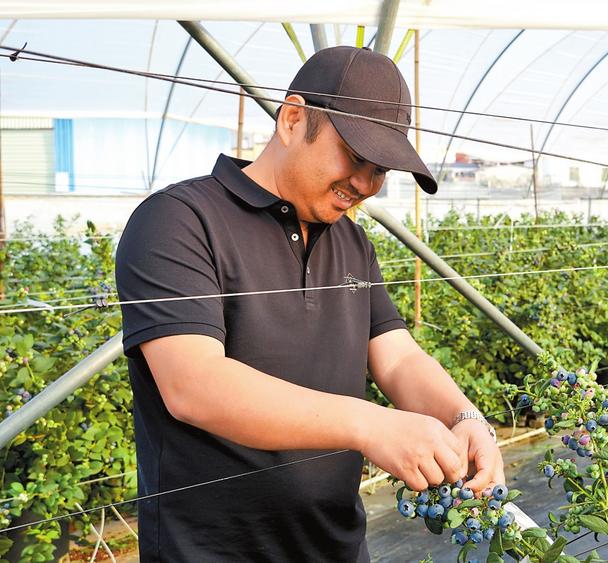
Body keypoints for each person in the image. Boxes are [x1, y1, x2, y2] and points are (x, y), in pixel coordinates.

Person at [115, 46, 505, 562]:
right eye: (355, 157)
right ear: (293, 120)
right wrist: (371, 425)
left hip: (336, 547)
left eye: (380, 169)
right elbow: (194, 385)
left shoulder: (352, 243)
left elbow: (398, 358)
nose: (365, 185)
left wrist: (465, 417)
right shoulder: (180, 220)